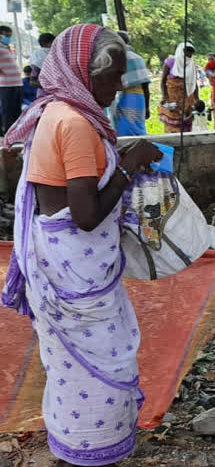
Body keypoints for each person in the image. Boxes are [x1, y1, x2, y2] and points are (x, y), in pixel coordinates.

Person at [1, 24, 162, 467]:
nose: (117, 87)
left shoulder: (55, 110)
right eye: (109, 78)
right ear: (81, 73)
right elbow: (87, 216)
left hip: (62, 261)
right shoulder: (73, 122)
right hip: (76, 262)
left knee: (68, 365)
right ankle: (92, 451)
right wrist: (129, 166)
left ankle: (76, 445)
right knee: (103, 362)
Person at [109, 31, 151, 137]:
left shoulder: (117, 58)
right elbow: (145, 86)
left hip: (126, 97)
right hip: (140, 97)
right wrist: (147, 107)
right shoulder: (138, 58)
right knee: (138, 127)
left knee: (125, 130)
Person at [158, 42, 198, 133]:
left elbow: (194, 83)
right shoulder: (170, 62)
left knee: (186, 124)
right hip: (173, 99)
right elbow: (163, 80)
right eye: (187, 51)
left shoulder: (192, 66)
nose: (189, 54)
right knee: (173, 124)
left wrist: (197, 99)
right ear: (181, 51)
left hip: (187, 99)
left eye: (191, 52)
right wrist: (165, 96)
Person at [0, 25, 22, 135]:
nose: (8, 37)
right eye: (6, 35)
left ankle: (17, 133)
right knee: (8, 110)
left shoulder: (8, 47)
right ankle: (8, 134)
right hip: (6, 84)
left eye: (9, 35)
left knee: (17, 110)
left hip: (17, 82)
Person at [29, 32, 55, 99]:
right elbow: (32, 81)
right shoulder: (38, 58)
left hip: (59, 96)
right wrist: (50, 87)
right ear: (44, 43)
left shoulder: (58, 56)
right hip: (45, 96)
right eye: (53, 43)